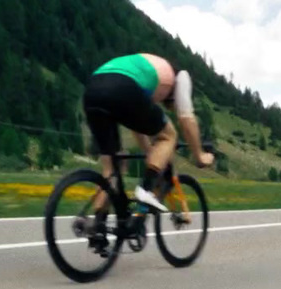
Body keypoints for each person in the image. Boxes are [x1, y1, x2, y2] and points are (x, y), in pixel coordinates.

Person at [81, 53, 213, 214]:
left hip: (93, 89)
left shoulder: (149, 74)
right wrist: (199, 155)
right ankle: (146, 190)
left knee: (112, 171)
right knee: (169, 135)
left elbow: (136, 124)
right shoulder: (181, 76)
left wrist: (151, 153)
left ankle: (96, 227)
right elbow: (186, 119)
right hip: (123, 86)